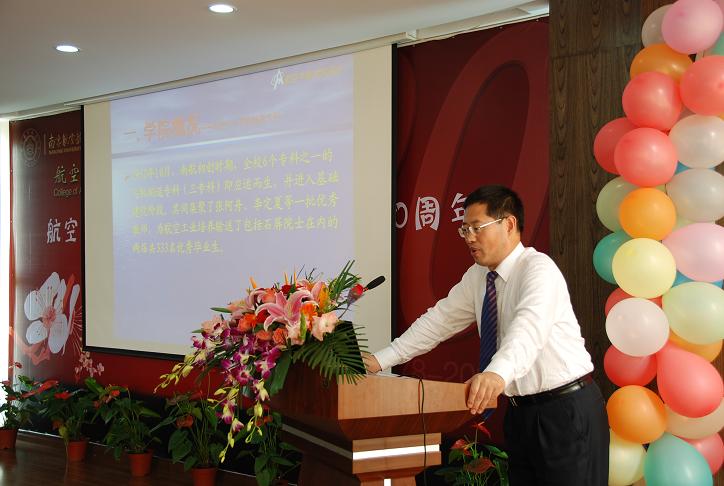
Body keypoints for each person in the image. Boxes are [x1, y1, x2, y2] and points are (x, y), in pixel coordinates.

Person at [364, 185, 609, 486]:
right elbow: (438, 322)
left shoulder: (538, 269)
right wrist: (380, 360)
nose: (469, 237)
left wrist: (495, 374)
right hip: (520, 413)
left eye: (477, 228)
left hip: (565, 411)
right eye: (464, 229)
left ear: (509, 224)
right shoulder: (478, 277)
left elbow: (528, 329)